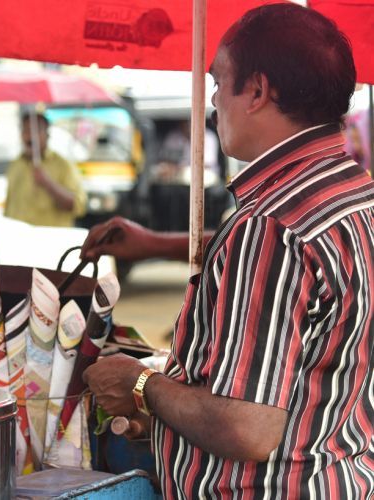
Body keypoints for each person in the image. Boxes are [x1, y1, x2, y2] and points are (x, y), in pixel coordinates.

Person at [81, 4, 374, 498]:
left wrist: (140, 384)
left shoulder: (270, 224)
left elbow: (249, 428)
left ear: (257, 91)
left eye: (218, 82)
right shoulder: (353, 191)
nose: (214, 101)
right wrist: (157, 245)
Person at [4, 113, 87, 227]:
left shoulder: (63, 166)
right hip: (19, 237)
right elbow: (10, 205)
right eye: (25, 130)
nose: (29, 136)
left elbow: (77, 206)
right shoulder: (16, 164)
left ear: (47, 135)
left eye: (35, 130)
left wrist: (47, 183)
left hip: (50, 238)